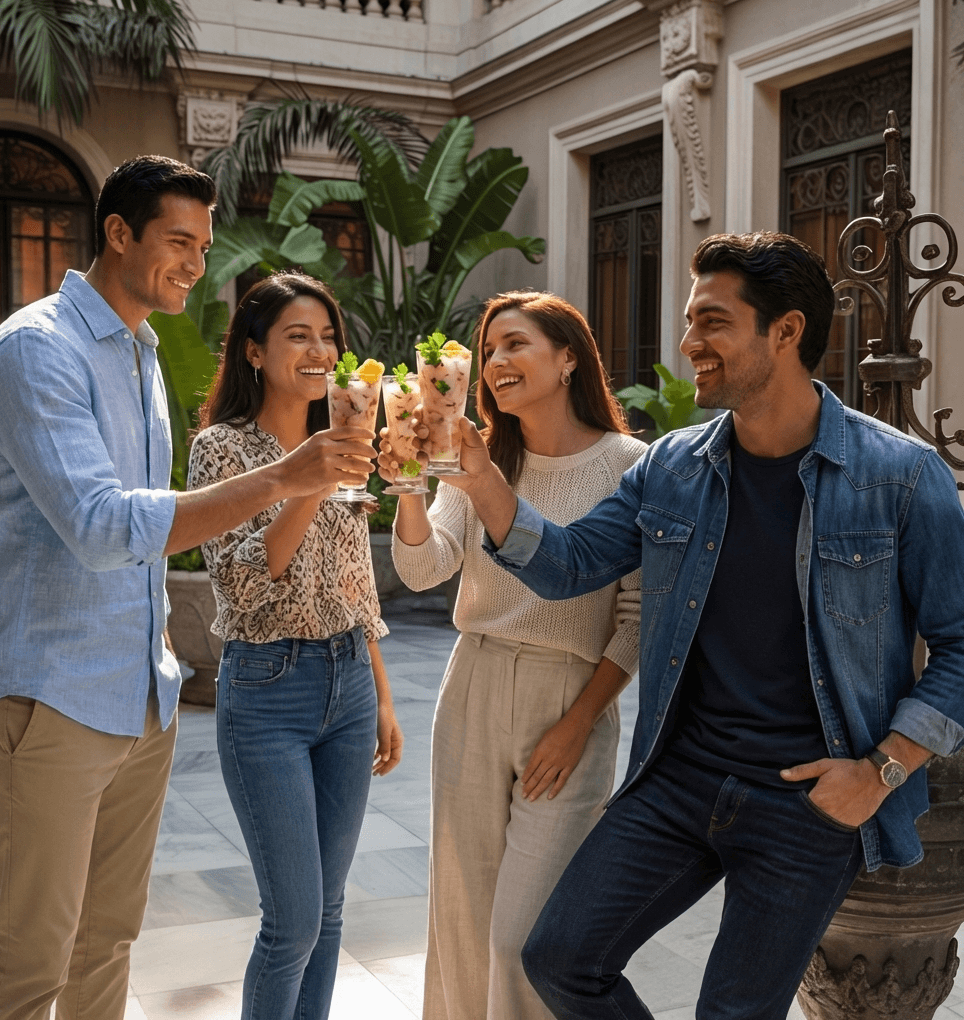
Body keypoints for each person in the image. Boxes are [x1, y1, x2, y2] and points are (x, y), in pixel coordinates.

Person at [441, 231, 964, 1019]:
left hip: (806, 801)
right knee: (557, 959)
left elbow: (960, 646)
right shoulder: (673, 466)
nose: (689, 344)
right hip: (680, 780)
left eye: (713, 323)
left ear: (785, 332)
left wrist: (882, 770)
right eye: (691, 322)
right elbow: (570, 564)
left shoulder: (899, 475)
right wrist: (479, 475)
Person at [0, 157, 375, 1020]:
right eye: (178, 242)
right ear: (120, 232)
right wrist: (286, 480)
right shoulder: (37, 350)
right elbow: (104, 525)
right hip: (51, 696)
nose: (196, 263)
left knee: (107, 941)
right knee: (34, 957)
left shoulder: (141, 354)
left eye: (204, 245)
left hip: (138, 698)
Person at [379, 291, 645, 1020]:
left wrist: (580, 722)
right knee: (461, 915)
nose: (496, 362)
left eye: (515, 344)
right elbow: (426, 568)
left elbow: (636, 616)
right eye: (489, 349)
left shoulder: (631, 465)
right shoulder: (484, 459)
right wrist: (409, 482)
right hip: (474, 681)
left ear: (568, 359)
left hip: (572, 699)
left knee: (522, 937)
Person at [187, 271, 403, 1020]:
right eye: (296, 335)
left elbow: (355, 576)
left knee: (333, 909)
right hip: (267, 690)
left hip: (348, 681)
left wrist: (380, 690)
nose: (319, 351)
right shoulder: (220, 450)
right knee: (293, 923)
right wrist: (311, 476)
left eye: (328, 337)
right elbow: (247, 584)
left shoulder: (347, 440)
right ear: (254, 352)